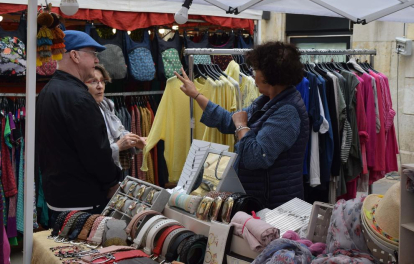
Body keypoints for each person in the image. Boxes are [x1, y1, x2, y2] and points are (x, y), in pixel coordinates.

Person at [175, 41, 310, 209]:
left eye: (257, 69)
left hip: (275, 207)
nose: (253, 75)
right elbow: (229, 120)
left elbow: (255, 157)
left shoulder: (287, 112)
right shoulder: (266, 101)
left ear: (270, 74)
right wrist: (196, 95)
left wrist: (241, 126)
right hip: (261, 201)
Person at [36, 31, 121, 224]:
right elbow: (96, 152)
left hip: (58, 197)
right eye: (92, 54)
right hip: (82, 201)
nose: (96, 60)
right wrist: (112, 182)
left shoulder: (48, 91)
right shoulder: (79, 98)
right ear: (74, 55)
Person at [86, 64, 146, 170]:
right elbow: (91, 154)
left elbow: (118, 131)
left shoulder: (106, 105)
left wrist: (135, 140)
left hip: (111, 169)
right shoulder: (83, 112)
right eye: (93, 81)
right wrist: (118, 146)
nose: (100, 86)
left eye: (102, 81)